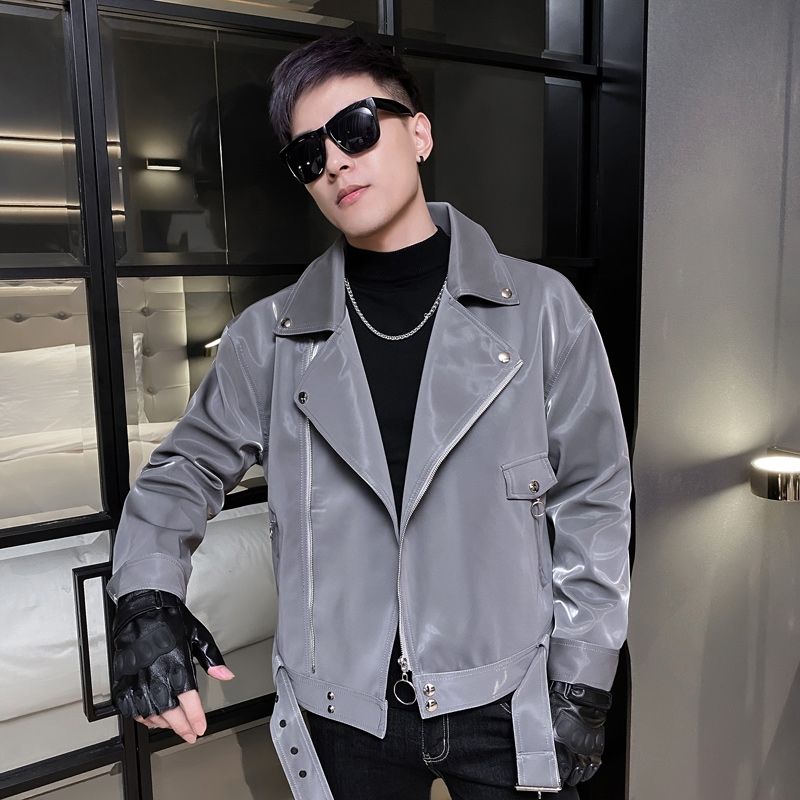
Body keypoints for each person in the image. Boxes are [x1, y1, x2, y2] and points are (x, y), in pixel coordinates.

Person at [106, 33, 631, 800]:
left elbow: (594, 498)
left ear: (418, 133)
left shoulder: (545, 311)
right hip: (343, 711)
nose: (335, 163)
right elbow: (181, 473)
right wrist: (146, 598)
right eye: (307, 154)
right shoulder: (268, 338)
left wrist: (583, 676)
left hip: (507, 693)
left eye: (354, 129)